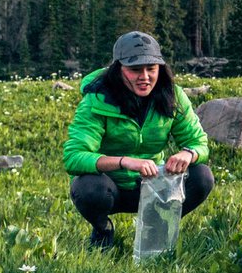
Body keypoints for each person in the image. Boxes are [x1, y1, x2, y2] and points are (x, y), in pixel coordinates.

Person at [63, 31, 213, 250]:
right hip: (111, 188)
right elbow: (74, 157)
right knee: (87, 187)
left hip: (154, 185)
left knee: (202, 176)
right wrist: (124, 161)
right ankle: (102, 229)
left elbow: (199, 142)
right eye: (135, 70)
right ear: (119, 69)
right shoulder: (96, 99)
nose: (145, 77)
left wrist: (188, 154)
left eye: (151, 68)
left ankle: (157, 227)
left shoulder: (173, 95)